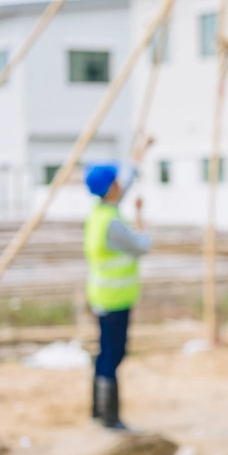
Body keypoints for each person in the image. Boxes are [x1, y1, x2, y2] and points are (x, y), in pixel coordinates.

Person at [84, 162, 150, 431]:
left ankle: (97, 410)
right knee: (114, 353)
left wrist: (137, 159)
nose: (120, 185)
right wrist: (140, 217)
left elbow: (119, 194)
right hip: (116, 298)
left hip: (101, 296)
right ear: (112, 187)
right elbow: (142, 246)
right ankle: (110, 417)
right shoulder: (112, 222)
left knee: (105, 353)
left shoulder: (98, 214)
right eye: (117, 181)